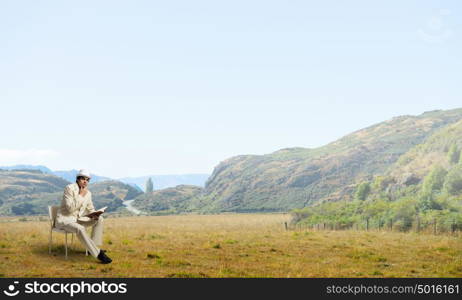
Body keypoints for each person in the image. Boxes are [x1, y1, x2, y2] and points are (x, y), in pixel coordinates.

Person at [55, 169, 112, 264]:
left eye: (87, 180)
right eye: (83, 179)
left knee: (100, 219)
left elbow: (90, 208)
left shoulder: (88, 193)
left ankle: (93, 247)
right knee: (80, 229)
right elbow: (69, 209)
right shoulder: (69, 188)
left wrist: (95, 214)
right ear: (77, 179)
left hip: (77, 220)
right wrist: (81, 195)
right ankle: (98, 254)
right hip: (65, 221)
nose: (85, 181)